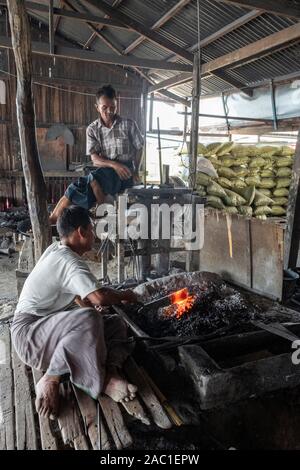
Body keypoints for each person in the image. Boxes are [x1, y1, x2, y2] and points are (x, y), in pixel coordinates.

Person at [11, 205, 138, 419]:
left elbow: (78, 296)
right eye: (92, 229)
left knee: (115, 322)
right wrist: (126, 294)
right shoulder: (69, 261)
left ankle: (110, 372)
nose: (94, 236)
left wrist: (94, 316)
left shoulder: (57, 249)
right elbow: (99, 297)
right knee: (90, 318)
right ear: (81, 232)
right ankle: (52, 377)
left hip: (46, 331)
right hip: (29, 337)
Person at [49, 85, 144, 223]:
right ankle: (98, 205)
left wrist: (135, 169)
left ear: (117, 105)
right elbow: (95, 159)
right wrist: (114, 165)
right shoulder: (92, 129)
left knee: (88, 181)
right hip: (106, 170)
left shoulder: (128, 124)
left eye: (113, 107)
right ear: (97, 107)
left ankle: (54, 218)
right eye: (104, 107)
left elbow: (139, 146)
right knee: (86, 183)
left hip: (125, 173)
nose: (109, 111)